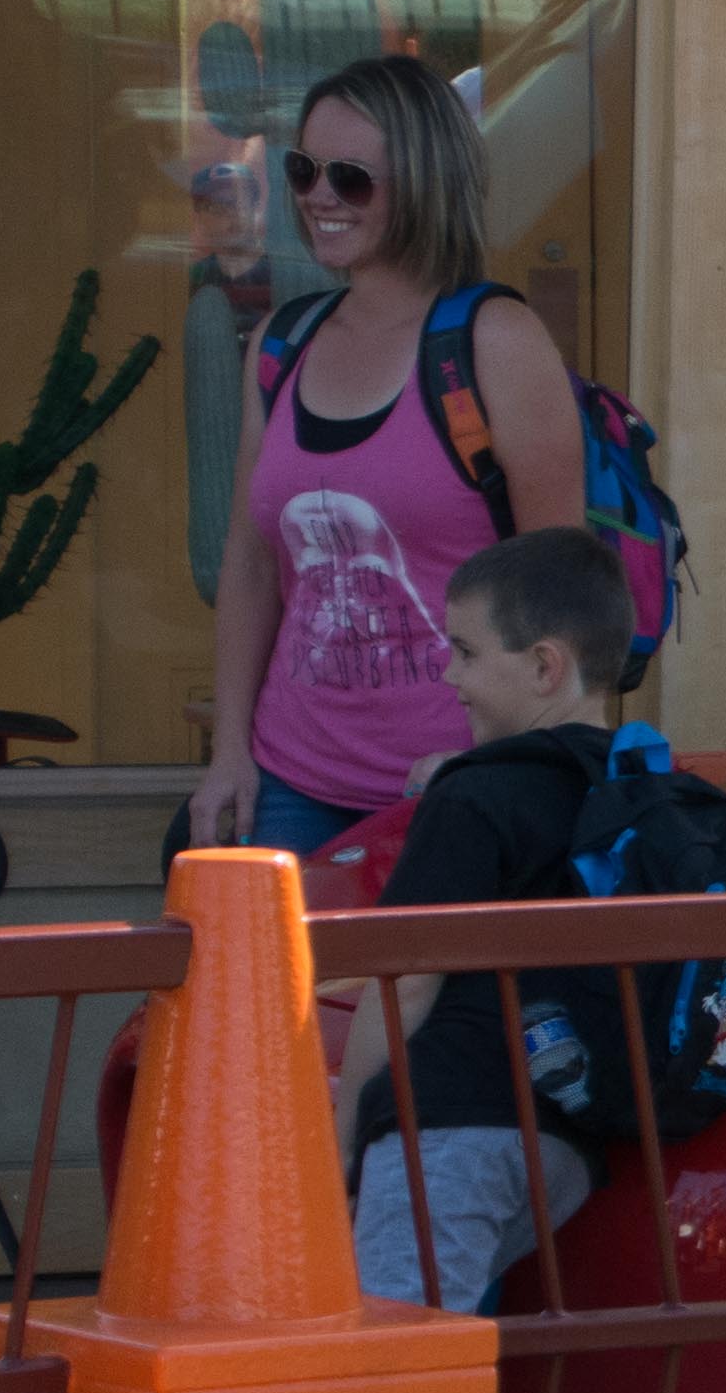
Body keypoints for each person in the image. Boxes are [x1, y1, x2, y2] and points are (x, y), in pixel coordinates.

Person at [312, 524, 630, 1393]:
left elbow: (402, 988)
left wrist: (343, 1132)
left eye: (463, 650)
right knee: (420, 1358)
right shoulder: (635, 785)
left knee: (394, 1377)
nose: (445, 674)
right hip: (571, 1141)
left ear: (544, 664)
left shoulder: (476, 800)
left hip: (449, 1129)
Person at [188, 52, 586, 856]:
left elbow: (563, 589)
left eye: (351, 179)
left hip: (457, 782)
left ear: (425, 183)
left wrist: (505, 767)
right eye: (303, 170)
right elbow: (251, 562)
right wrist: (229, 751)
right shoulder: (281, 345)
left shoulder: (496, 343)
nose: (319, 197)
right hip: (291, 777)